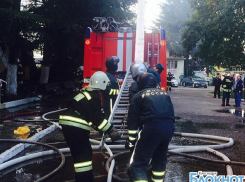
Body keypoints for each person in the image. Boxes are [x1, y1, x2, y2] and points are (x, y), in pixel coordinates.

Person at [59, 71, 120, 182]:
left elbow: (89, 117)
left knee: (80, 155)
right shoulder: (94, 96)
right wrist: (111, 130)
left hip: (69, 125)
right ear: (102, 83)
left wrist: (98, 128)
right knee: (84, 156)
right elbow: (97, 118)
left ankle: (83, 178)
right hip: (75, 127)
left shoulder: (86, 93)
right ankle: (85, 179)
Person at [127, 72, 175, 182]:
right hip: (168, 130)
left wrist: (131, 142)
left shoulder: (138, 96)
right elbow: (171, 115)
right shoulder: (165, 94)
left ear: (140, 84)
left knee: (138, 166)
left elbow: (132, 123)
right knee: (159, 161)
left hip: (151, 130)